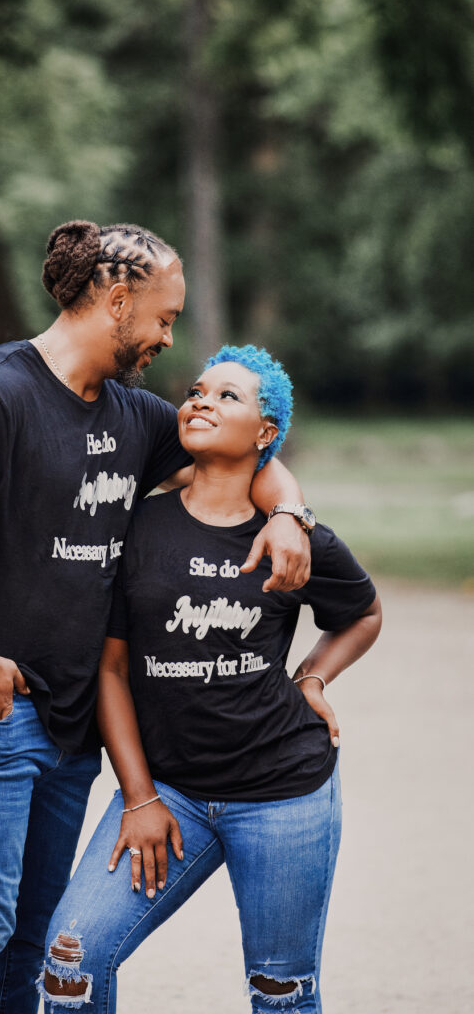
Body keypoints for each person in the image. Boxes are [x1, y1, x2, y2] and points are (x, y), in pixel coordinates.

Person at [0, 222, 313, 1014]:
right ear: (116, 302)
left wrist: (290, 515)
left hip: (67, 723)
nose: (164, 337)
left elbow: (247, 456)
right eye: (162, 317)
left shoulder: (133, 418)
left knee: (31, 940)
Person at [39, 344, 382, 1014]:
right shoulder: (136, 527)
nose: (200, 400)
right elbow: (110, 667)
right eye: (196, 389)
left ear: (265, 433)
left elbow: (362, 614)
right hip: (170, 794)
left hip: (284, 794)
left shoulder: (296, 539)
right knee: (68, 969)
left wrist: (312, 678)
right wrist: (138, 799)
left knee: (280, 992)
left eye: (228, 396)